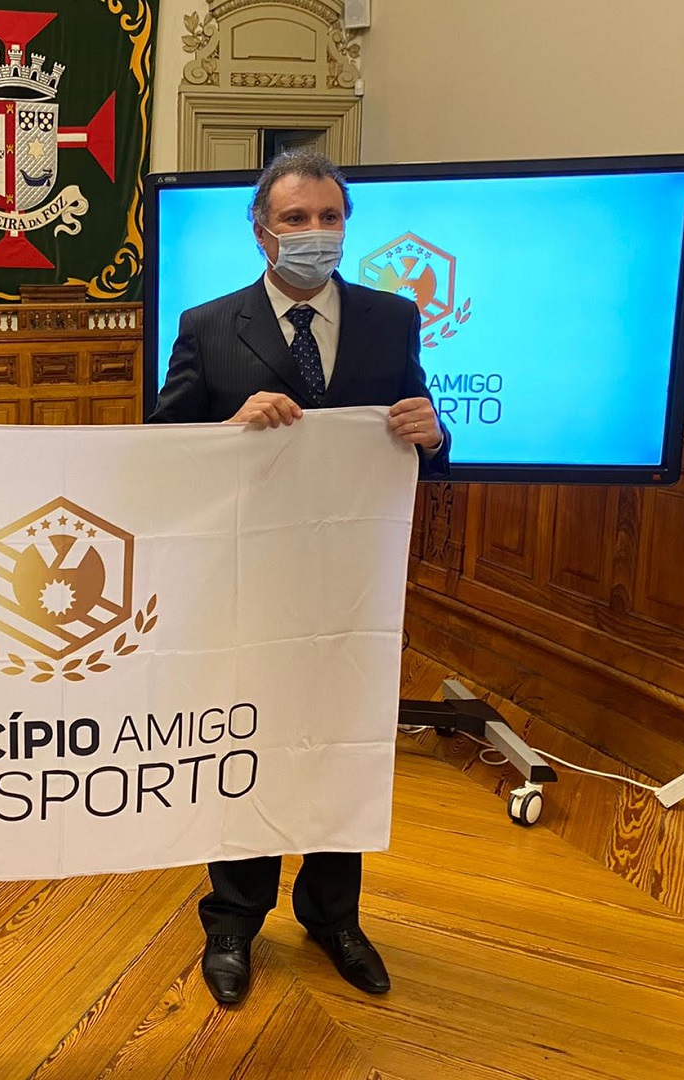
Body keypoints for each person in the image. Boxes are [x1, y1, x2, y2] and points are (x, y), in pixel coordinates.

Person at [149, 149, 450, 1005]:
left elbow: (419, 440)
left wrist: (433, 434)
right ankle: (233, 923)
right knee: (245, 744)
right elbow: (162, 451)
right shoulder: (209, 324)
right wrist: (229, 427)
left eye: (329, 217)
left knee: (340, 743)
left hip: (352, 584)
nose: (315, 232)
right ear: (260, 231)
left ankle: (333, 917)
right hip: (247, 584)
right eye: (295, 219)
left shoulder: (392, 318)